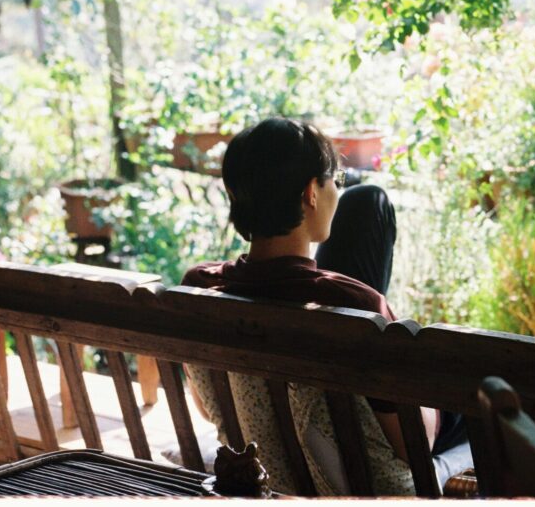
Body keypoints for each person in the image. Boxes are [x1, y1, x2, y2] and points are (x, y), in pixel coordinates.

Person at [181, 118, 467, 495]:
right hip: (368, 487)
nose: (338, 190)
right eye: (335, 179)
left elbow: (207, 409)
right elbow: (417, 443)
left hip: (267, 475)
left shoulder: (198, 289)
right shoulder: (360, 308)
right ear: (310, 193)